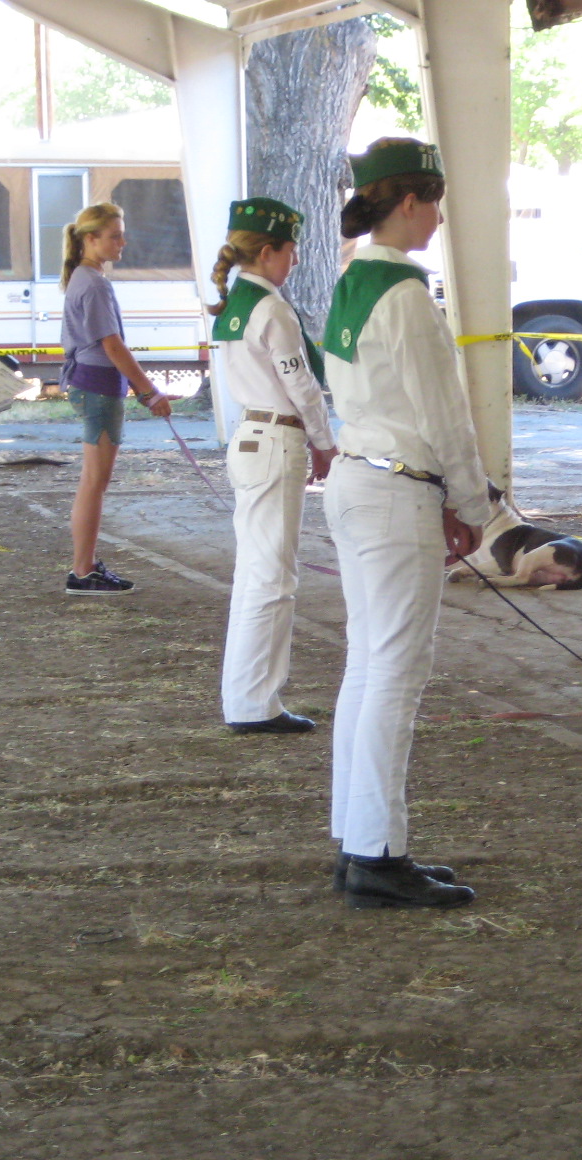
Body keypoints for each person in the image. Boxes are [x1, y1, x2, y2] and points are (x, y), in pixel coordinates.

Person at [322, 138, 494, 909]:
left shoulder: (352, 281)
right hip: (397, 490)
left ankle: (357, 836)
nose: (440, 216)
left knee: (368, 666)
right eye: (436, 199)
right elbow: (445, 414)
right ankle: (377, 854)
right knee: (395, 671)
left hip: (361, 477)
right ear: (412, 200)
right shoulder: (405, 293)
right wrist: (474, 505)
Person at [211, 197, 337, 735]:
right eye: (291, 251)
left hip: (248, 434)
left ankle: (246, 696)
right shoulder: (273, 309)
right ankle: (255, 702)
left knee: (255, 574)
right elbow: (301, 384)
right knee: (273, 579)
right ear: (268, 252)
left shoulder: (235, 304)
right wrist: (325, 441)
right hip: (276, 438)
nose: (296, 261)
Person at [59, 202, 177, 594]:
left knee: (93, 481)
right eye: (114, 235)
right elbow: (112, 345)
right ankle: (82, 570)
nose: (122, 242)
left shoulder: (85, 277)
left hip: (94, 384)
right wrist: (149, 392)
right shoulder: (93, 283)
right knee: (95, 482)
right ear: (90, 239)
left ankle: (84, 567)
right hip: (97, 386)